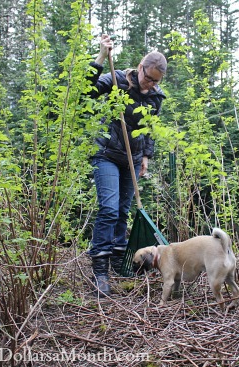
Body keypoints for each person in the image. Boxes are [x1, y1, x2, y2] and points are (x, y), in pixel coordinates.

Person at [86, 34, 167, 297]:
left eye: (156, 80)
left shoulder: (155, 97)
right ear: (141, 66)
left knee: (122, 212)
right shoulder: (118, 79)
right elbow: (86, 91)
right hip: (107, 154)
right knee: (108, 210)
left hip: (132, 160)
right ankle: (100, 272)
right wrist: (100, 57)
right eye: (148, 77)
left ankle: (119, 262)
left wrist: (145, 157)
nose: (150, 83)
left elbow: (148, 130)